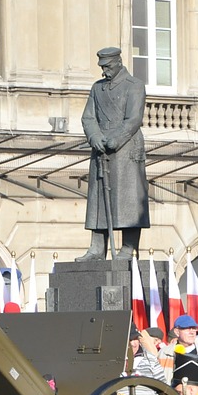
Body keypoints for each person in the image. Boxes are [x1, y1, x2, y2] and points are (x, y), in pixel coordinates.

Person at [76, 46, 149, 262]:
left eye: (107, 67)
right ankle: (97, 248)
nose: (104, 72)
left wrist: (114, 140)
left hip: (125, 147)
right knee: (98, 197)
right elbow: (88, 117)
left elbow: (134, 119)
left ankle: (128, 248)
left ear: (118, 62)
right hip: (100, 147)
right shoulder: (97, 88)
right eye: (102, 67)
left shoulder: (134, 86)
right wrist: (95, 137)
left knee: (129, 198)